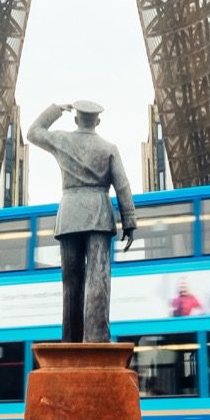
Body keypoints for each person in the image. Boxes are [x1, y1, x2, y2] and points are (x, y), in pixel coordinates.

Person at [26, 101, 138, 342]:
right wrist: (129, 220)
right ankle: (97, 337)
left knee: (70, 282)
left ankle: (71, 339)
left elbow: (33, 132)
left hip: (69, 216)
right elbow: (122, 185)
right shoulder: (109, 147)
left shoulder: (62, 140)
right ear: (97, 121)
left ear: (76, 120)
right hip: (99, 214)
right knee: (98, 279)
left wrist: (56, 109)